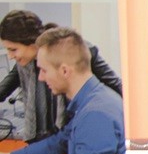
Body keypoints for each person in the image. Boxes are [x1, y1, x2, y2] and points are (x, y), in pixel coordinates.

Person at [0, 27, 127, 154]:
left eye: (44, 70)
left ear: (65, 71)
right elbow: (60, 141)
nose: (41, 78)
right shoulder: (95, 100)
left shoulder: (95, 115)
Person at [1, 10, 122, 142]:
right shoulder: (24, 61)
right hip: (43, 138)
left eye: (13, 49)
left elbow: (116, 86)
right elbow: (5, 87)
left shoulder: (79, 51)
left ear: (32, 43)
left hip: (75, 136)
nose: (10, 56)